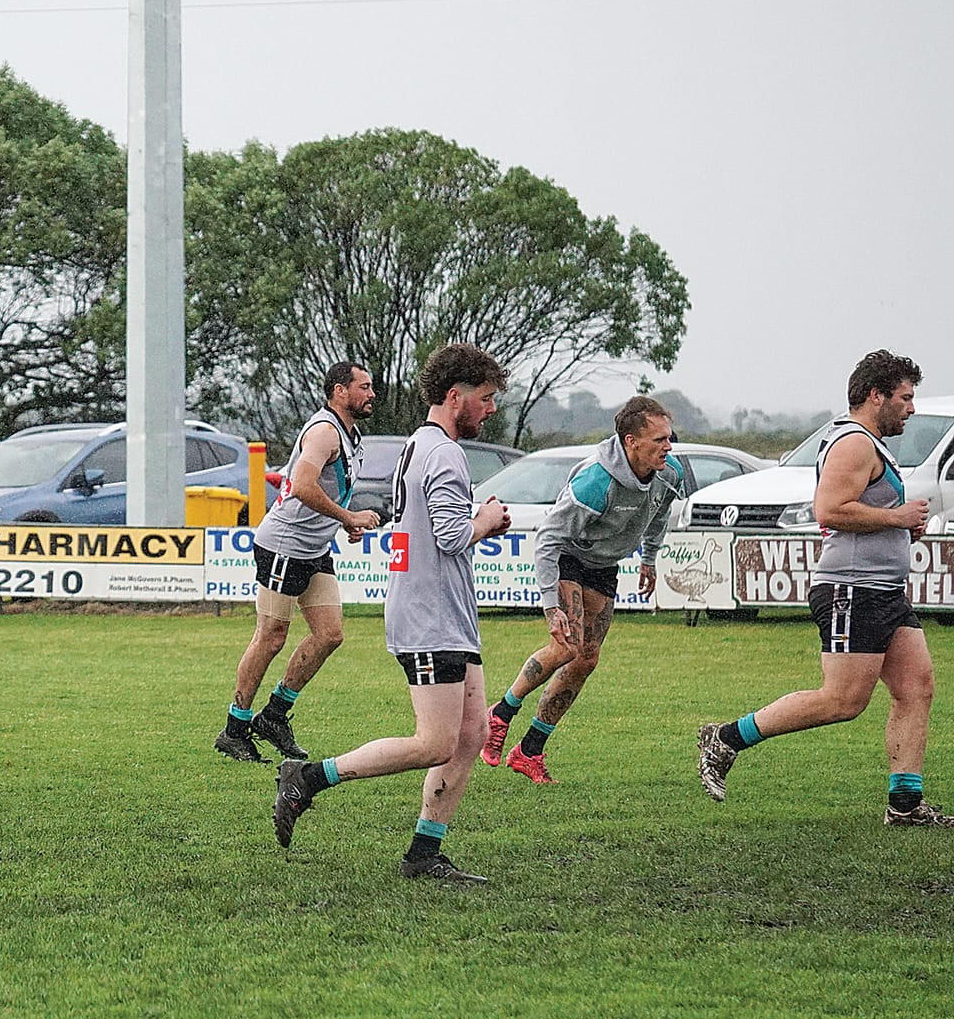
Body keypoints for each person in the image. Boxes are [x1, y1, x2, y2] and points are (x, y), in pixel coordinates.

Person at [272, 342, 513, 882]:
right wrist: (488, 521)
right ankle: (309, 777)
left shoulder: (417, 444)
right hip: (430, 616)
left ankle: (424, 853)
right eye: (486, 398)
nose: (492, 409)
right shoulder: (445, 453)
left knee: (471, 733)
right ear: (456, 397)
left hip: (444, 611)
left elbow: (425, 531)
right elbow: (451, 536)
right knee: (434, 742)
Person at [699, 350, 952, 826]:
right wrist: (896, 517)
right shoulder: (853, 443)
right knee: (843, 701)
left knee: (916, 688)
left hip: (883, 591)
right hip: (851, 590)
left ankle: (905, 806)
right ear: (876, 396)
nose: (912, 408)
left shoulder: (870, 443)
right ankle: (727, 738)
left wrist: (898, 529)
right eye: (905, 397)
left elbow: (857, 513)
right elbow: (830, 511)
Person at [479, 397, 685, 783]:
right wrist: (548, 606)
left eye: (669, 438)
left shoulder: (668, 472)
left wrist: (649, 559)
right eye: (659, 439)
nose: (668, 447)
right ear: (631, 441)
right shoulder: (596, 482)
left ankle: (529, 752)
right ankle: (500, 713)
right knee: (565, 647)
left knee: (586, 660)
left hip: (605, 565)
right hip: (568, 557)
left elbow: (659, 513)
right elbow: (548, 539)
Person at [217, 361, 381, 765]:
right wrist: (348, 517)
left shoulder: (351, 435)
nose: (372, 394)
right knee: (271, 637)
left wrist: (342, 522)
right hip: (283, 546)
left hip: (313, 548)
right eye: (364, 386)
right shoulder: (325, 431)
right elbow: (303, 486)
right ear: (339, 392)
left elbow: (326, 490)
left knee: (330, 635)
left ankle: (273, 715)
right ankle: (234, 729)